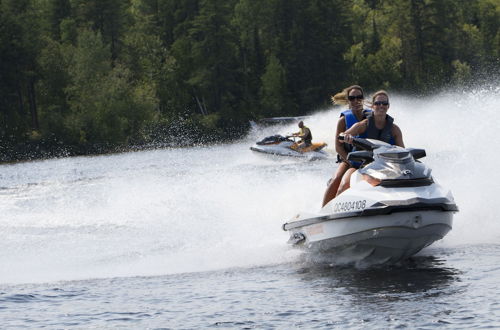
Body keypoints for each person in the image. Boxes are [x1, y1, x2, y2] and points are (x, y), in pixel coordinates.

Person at [335, 90, 404, 196]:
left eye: (384, 103)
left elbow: (402, 152)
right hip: (360, 166)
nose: (381, 106)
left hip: (384, 167)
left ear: (388, 106)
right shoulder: (362, 125)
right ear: (372, 106)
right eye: (377, 103)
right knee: (343, 186)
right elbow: (341, 137)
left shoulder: (395, 130)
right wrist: (346, 136)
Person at [321, 85, 372, 207]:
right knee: (336, 179)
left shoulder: (371, 117)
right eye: (352, 98)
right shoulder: (343, 120)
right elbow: (338, 147)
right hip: (348, 158)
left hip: (369, 159)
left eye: (359, 97)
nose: (356, 100)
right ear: (348, 100)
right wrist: (350, 161)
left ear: (363, 99)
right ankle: (324, 210)